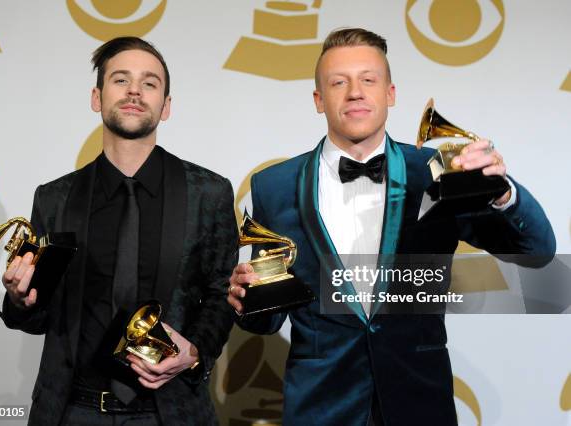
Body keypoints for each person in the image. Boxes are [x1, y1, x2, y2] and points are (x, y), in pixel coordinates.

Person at [227, 28, 556, 426]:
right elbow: (266, 319)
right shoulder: (274, 185)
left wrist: (502, 191)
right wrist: (246, 298)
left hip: (419, 403)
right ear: (319, 100)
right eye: (338, 82)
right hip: (321, 408)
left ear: (390, 93)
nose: (355, 92)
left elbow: (536, 252)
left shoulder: (435, 173)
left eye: (369, 79)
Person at [0, 37, 238, 425]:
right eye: (120, 80)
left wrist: (194, 352)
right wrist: (20, 298)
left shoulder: (208, 192)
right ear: (97, 97)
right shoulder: (54, 198)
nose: (134, 91)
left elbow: (221, 292)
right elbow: (36, 318)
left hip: (172, 411)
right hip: (72, 410)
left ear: (166, 106)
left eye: (150, 83)